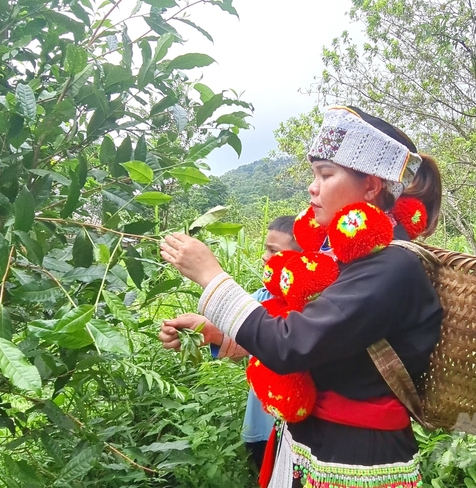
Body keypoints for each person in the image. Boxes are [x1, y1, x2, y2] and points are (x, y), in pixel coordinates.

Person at [160, 106, 443, 488]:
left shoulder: (391, 267)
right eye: (315, 174)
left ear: (372, 187)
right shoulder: (350, 260)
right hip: (317, 446)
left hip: (355, 460)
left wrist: (213, 279)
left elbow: (292, 346)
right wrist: (215, 331)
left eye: (326, 174)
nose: (313, 187)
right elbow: (320, 340)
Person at [159, 216, 302, 470]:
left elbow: (274, 338)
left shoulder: (312, 305)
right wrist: (202, 332)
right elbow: (241, 341)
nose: (265, 257)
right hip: (259, 426)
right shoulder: (262, 297)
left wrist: (209, 275)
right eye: (265, 248)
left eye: (274, 250)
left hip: (294, 431)